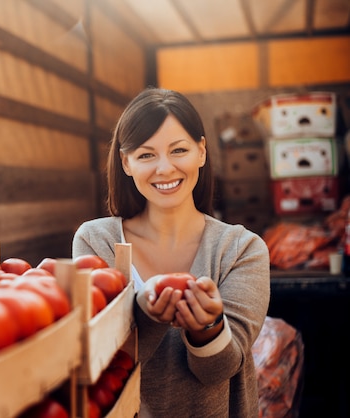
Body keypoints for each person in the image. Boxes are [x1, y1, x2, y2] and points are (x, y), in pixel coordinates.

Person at [72, 87, 270, 418]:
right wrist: (144, 311)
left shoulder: (242, 249)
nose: (164, 169)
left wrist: (207, 327)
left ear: (202, 152)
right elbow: (102, 358)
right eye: (146, 155)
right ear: (126, 162)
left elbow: (221, 369)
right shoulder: (95, 241)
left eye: (179, 150)